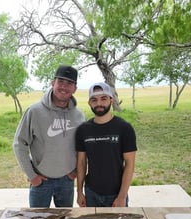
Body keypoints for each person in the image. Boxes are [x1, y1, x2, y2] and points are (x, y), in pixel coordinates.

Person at [13, 65, 85, 208]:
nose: (64, 87)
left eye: (69, 83)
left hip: (67, 181)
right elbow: (19, 144)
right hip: (41, 181)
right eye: (61, 82)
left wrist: (75, 172)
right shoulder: (34, 111)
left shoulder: (79, 116)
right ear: (53, 83)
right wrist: (32, 176)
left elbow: (83, 148)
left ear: (75, 89)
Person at [75, 82, 137, 207]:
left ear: (111, 100)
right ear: (89, 103)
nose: (99, 104)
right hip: (91, 193)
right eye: (94, 100)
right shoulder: (83, 130)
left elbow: (130, 164)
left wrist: (122, 196)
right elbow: (81, 162)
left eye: (103, 99)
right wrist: (79, 192)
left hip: (116, 194)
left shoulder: (124, 128)